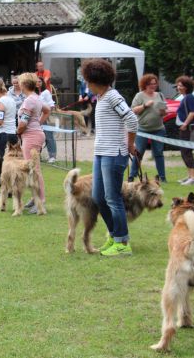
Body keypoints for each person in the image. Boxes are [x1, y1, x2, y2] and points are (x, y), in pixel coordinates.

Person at [82, 59, 138, 256]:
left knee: (113, 199)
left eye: (88, 80)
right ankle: (115, 236)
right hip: (101, 153)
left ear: (96, 80)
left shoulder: (113, 97)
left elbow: (131, 119)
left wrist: (130, 144)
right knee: (99, 197)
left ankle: (122, 243)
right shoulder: (102, 97)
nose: (86, 84)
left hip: (114, 154)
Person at [17, 72, 50, 214]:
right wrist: (38, 123)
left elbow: (23, 123)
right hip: (35, 134)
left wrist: (17, 131)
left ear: (24, 84)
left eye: (19, 82)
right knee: (33, 169)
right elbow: (47, 110)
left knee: (34, 170)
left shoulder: (28, 101)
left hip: (30, 136)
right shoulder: (36, 98)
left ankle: (40, 201)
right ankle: (35, 198)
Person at [128, 74, 168, 183]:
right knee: (138, 152)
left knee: (158, 153)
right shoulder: (139, 96)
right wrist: (145, 105)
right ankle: (132, 176)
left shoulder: (160, 95)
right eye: (151, 84)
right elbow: (133, 110)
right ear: (145, 84)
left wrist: (163, 112)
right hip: (142, 130)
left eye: (155, 83)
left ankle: (162, 177)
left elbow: (165, 112)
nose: (153, 86)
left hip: (158, 129)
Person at [175, 75, 194, 185]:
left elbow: (193, 112)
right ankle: (189, 176)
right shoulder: (185, 97)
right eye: (178, 85)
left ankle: (193, 178)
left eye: (181, 85)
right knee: (184, 152)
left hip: (187, 129)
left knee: (186, 152)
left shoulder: (189, 97)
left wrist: (185, 124)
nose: (178, 87)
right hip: (184, 128)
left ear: (186, 87)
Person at [37, 76, 57, 163]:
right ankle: (37, 156)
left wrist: (49, 113)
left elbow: (51, 104)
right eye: (36, 82)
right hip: (36, 117)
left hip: (45, 116)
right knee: (37, 137)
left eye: (40, 82)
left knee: (49, 137)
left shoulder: (46, 92)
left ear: (43, 83)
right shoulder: (33, 93)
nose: (38, 83)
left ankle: (52, 156)